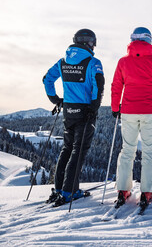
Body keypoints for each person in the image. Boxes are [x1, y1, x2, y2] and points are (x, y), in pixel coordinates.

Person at [111, 26, 152, 208]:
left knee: (127, 150)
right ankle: (147, 191)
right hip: (150, 111)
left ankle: (123, 190)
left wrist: (116, 107)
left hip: (129, 111)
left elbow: (116, 86)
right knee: (148, 152)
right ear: (149, 41)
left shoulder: (123, 62)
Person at [43, 29, 105, 206]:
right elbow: (99, 84)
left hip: (68, 111)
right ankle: (69, 192)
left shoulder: (63, 61)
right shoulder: (93, 62)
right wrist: (94, 107)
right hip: (85, 111)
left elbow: (47, 79)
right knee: (78, 151)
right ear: (90, 43)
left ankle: (58, 189)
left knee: (67, 149)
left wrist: (55, 99)